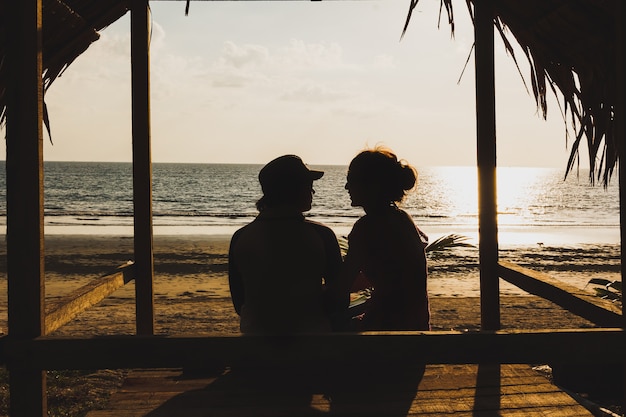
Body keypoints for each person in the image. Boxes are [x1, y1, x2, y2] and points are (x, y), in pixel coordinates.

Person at [228, 154, 346, 334]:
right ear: (295, 190)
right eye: (309, 186)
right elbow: (339, 299)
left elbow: (239, 303)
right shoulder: (321, 236)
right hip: (313, 342)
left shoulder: (241, 237)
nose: (312, 192)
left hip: (255, 342)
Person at [342, 146, 430, 330]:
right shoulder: (403, 219)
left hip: (386, 331)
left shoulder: (367, 227)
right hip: (415, 326)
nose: (346, 187)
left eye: (352, 181)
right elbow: (391, 274)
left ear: (371, 185)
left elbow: (343, 283)